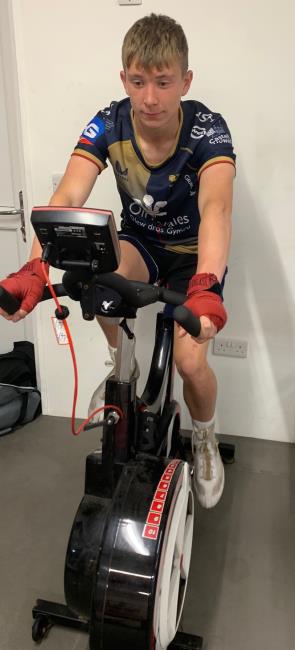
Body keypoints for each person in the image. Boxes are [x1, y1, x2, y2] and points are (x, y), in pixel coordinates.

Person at [0, 13, 235, 509]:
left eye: (164, 82)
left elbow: (216, 207)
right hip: (144, 245)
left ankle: (207, 435)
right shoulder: (110, 122)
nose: (149, 97)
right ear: (123, 77)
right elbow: (68, 193)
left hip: (196, 257)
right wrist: (34, 270)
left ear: (185, 81)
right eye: (137, 81)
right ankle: (119, 370)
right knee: (98, 282)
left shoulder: (209, 130)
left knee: (192, 360)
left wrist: (208, 284)